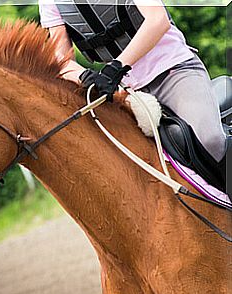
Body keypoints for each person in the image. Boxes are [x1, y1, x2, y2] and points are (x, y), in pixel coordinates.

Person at [38, 0, 227, 187]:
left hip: (171, 70)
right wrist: (87, 77)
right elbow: (61, 60)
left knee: (210, 140)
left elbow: (157, 20)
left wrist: (117, 67)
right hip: (125, 93)